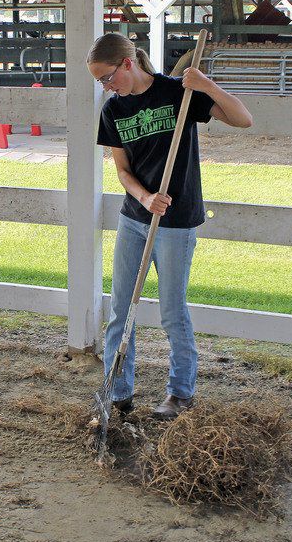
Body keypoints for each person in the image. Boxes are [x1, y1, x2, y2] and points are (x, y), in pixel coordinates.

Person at [87, 33, 252, 420]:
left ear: (128, 63)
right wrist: (145, 198)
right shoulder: (114, 110)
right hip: (135, 220)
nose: (106, 87)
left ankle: (180, 393)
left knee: (171, 311)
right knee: (120, 308)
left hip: (176, 223)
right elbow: (123, 172)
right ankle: (117, 390)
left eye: (108, 78)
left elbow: (244, 119)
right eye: (100, 82)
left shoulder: (178, 93)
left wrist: (205, 84)